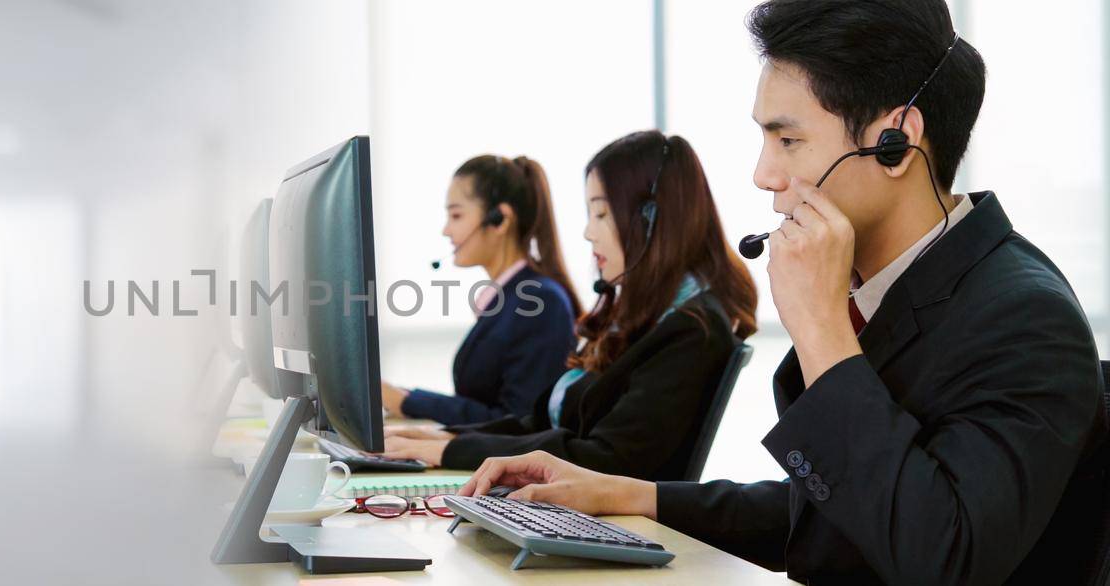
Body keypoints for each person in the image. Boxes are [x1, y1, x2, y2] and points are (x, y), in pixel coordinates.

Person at [457, 1, 1108, 583]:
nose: (764, 175)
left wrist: (821, 327)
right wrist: (627, 494)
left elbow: (941, 556)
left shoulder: (1024, 318)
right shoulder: (886, 289)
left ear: (895, 142)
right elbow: (831, 509)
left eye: (788, 139)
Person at [381, 131, 757, 478]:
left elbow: (604, 457)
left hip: (617, 528)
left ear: (651, 220)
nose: (588, 231)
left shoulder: (691, 329)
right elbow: (539, 422)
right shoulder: (637, 320)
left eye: (602, 213)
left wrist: (450, 449)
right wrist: (448, 439)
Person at [379, 155, 581, 426]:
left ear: (499, 220)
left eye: (456, 215)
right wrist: (405, 399)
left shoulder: (540, 301)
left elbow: (520, 422)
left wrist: (409, 402)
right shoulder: (509, 298)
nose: (446, 230)